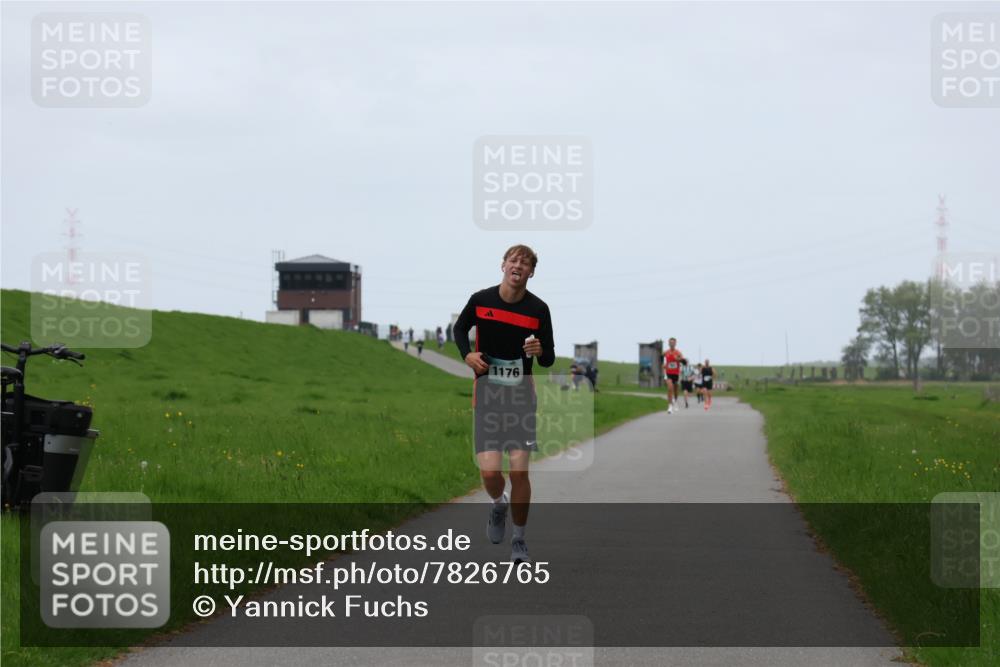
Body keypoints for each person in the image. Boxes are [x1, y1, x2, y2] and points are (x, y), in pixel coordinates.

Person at [453, 244, 554, 564]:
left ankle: (520, 540)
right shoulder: (481, 300)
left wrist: (539, 350)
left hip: (522, 396)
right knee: (490, 473)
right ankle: (499, 504)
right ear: (503, 265)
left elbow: (549, 358)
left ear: (531, 273)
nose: (518, 266)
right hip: (488, 394)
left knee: (520, 472)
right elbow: (459, 329)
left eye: (525, 264)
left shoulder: (539, 309)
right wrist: (466, 354)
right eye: (514, 260)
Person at [662, 338, 684, 414]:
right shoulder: (666, 352)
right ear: (668, 343)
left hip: (676, 373)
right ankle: (670, 406)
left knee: (675, 389)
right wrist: (663, 365)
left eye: (673, 343)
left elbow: (683, 360)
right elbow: (661, 357)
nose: (672, 344)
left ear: (675, 344)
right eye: (670, 342)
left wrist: (678, 359)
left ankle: (675, 400)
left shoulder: (678, 352)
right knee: (670, 388)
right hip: (668, 373)